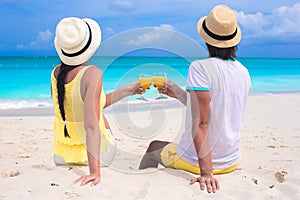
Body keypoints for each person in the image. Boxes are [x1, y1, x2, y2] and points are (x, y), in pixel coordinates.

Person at [139, 5, 251, 193]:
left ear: (206, 40)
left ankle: (142, 184)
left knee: (153, 148)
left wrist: (206, 173)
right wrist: (177, 92)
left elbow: (201, 124)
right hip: (231, 159)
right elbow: (216, 108)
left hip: (201, 162)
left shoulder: (199, 68)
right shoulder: (243, 71)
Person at [51, 17, 142, 186]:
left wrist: (128, 90)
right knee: (99, 117)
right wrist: (94, 172)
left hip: (61, 155)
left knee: (92, 111)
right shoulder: (92, 73)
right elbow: (90, 126)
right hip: (93, 156)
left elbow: (82, 108)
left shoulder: (55, 72)